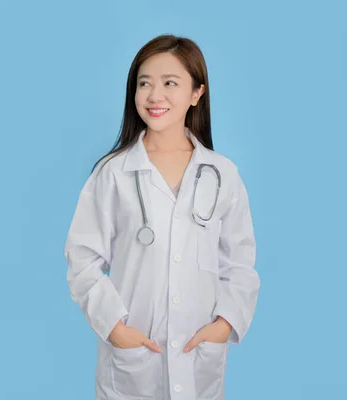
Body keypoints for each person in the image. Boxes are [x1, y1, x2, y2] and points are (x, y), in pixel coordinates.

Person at [64, 34, 260, 400]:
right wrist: (115, 328)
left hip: (198, 356)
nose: (155, 96)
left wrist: (224, 324)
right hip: (132, 363)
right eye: (144, 83)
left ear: (196, 93)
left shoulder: (222, 174)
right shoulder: (112, 173)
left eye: (170, 83)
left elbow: (239, 263)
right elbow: (82, 260)